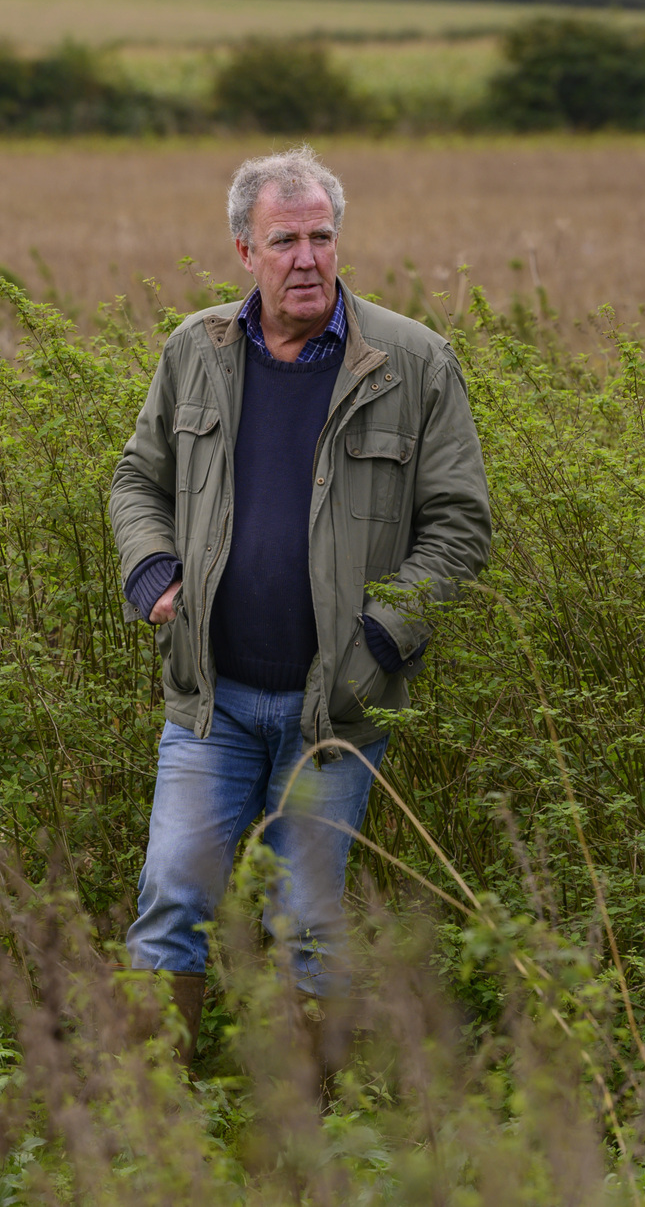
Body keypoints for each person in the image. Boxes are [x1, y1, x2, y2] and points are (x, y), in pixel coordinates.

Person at [108, 145, 491, 1066]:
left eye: (322, 236)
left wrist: (382, 635)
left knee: (309, 921)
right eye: (286, 240)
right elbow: (137, 479)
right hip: (212, 700)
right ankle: (154, 1122)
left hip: (338, 709)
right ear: (246, 250)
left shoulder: (411, 361)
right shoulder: (195, 350)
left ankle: (297, 1135)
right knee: (170, 899)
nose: (308, 257)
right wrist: (153, 572)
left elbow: (461, 525)